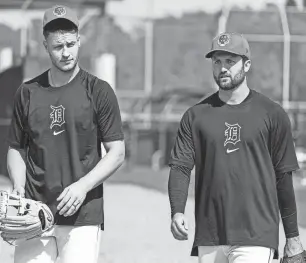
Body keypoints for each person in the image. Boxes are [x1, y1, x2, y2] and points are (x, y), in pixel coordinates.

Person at [168, 32, 304, 263]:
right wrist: (177, 211)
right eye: (217, 61)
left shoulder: (272, 114)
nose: (223, 68)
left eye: (230, 61)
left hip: (256, 235)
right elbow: (180, 167)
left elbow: (283, 176)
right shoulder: (196, 116)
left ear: (247, 64)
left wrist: (292, 237)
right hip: (209, 235)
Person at [6, 5, 125, 263]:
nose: (66, 52)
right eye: (58, 46)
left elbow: (116, 153)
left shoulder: (99, 91)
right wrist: (18, 186)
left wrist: (83, 186)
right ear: (46, 45)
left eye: (71, 44)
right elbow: (16, 148)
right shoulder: (27, 92)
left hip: (83, 213)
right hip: (35, 212)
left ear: (79, 40)